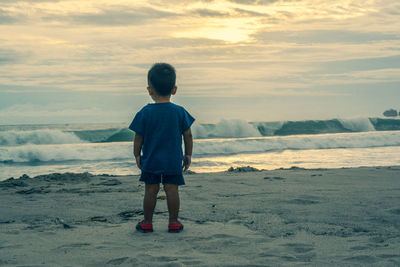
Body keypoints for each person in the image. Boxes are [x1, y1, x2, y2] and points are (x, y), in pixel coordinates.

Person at [129, 63, 194, 233]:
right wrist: (188, 154)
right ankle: (173, 222)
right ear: (174, 89)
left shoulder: (145, 112)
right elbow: (188, 135)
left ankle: (147, 222)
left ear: (150, 90)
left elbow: (139, 137)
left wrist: (137, 154)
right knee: (172, 190)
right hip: (173, 160)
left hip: (151, 159)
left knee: (151, 190)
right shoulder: (180, 112)